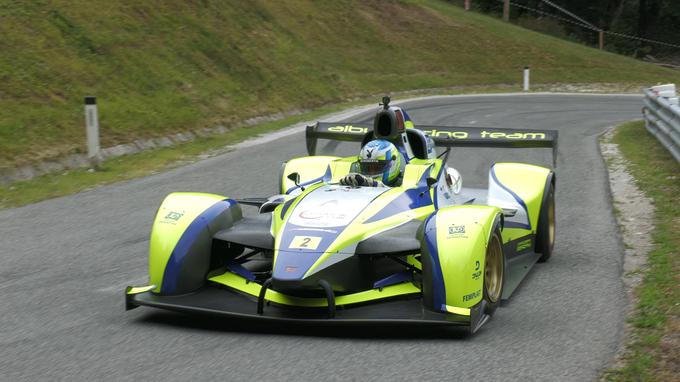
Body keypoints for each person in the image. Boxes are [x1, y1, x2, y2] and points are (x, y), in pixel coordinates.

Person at [340, 139, 405, 187]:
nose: (371, 173)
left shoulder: (408, 181)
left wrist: (374, 184)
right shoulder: (361, 179)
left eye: (376, 168)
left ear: (393, 163)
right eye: (367, 168)